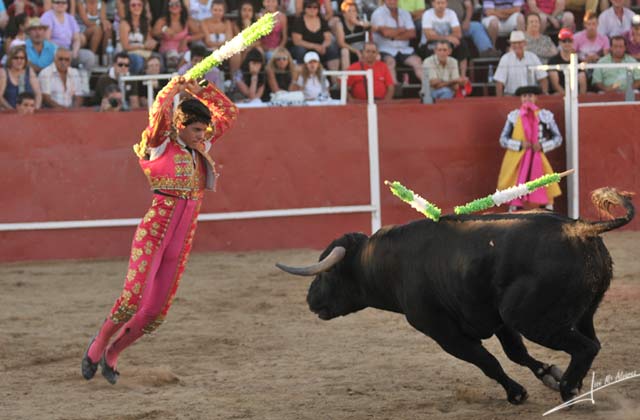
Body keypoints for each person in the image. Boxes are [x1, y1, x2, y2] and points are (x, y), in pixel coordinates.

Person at [81, 73, 238, 385]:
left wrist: (202, 89)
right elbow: (157, 112)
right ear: (180, 126)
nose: (202, 135)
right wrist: (172, 87)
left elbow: (229, 114)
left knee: (154, 313)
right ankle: (97, 346)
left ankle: (113, 354)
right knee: (130, 301)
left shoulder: (201, 143)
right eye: (195, 129)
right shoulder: (160, 143)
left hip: (180, 244)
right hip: (152, 236)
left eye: (203, 130)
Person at [496, 85, 562, 211]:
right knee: (515, 191)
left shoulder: (544, 115)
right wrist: (520, 145)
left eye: (530, 95)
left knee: (544, 190)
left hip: (538, 158)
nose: (527, 98)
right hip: (518, 159)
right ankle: (514, 212)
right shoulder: (514, 116)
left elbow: (558, 138)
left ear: (536, 97)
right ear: (520, 98)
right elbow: (503, 140)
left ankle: (548, 214)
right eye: (524, 96)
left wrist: (542, 145)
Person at [371, 0, 423, 84]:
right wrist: (402, 29)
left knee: (417, 61)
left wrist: (393, 36)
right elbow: (385, 33)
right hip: (385, 48)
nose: (392, 1)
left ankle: (427, 89)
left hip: (404, 48)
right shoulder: (378, 13)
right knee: (390, 62)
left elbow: (412, 33)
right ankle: (395, 88)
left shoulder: (405, 13)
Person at [40, 0, 97, 70]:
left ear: (67, 5)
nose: (60, 4)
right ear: (52, 4)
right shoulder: (47, 16)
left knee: (89, 57)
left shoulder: (70, 18)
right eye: (57, 2)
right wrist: (61, 52)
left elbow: (76, 39)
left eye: (63, 3)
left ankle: (82, 80)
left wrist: (75, 52)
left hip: (69, 50)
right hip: (53, 52)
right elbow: (47, 40)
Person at [420, 0, 469, 77]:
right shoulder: (427, 14)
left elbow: (458, 33)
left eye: (442, 3)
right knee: (431, 49)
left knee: (462, 44)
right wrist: (448, 37)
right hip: (430, 42)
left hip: (446, 41)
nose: (440, 5)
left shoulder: (451, 13)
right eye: (438, 3)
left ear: (446, 4)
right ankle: (433, 78)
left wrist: (443, 38)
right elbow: (429, 36)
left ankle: (463, 76)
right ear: (433, 4)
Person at [493, 30, 549, 96]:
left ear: (524, 43)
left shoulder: (533, 57)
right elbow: (499, 82)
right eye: (514, 43)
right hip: (511, 96)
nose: (517, 45)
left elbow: (543, 78)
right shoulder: (505, 59)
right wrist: (501, 101)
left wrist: (543, 95)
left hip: (531, 96)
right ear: (510, 44)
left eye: (519, 43)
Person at [291, 0, 340, 72]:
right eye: (309, 7)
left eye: (315, 7)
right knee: (300, 50)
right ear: (305, 9)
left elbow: (328, 38)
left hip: (320, 47)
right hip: (305, 47)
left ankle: (334, 78)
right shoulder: (299, 21)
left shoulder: (322, 20)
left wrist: (323, 46)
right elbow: (297, 41)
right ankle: (301, 77)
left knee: (332, 47)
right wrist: (315, 46)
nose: (312, 9)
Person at [120, 0, 158, 75]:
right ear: (129, 7)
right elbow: (125, 46)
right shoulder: (124, 24)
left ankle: (155, 83)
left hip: (142, 51)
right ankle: (135, 83)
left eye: (139, 5)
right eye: (133, 5)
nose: (136, 7)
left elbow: (148, 41)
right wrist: (142, 46)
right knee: (138, 60)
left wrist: (152, 43)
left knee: (158, 58)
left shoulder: (145, 22)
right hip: (127, 53)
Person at [0, 45, 42, 110]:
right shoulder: (3, 72)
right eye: (16, 58)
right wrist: (12, 110)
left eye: (22, 58)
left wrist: (35, 109)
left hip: (28, 112)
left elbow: (38, 94)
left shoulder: (29, 71)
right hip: (8, 112)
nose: (19, 60)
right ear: (10, 59)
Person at [548, 28, 587, 94]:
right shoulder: (553, 61)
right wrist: (568, 98)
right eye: (564, 41)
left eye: (569, 41)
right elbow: (555, 85)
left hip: (576, 95)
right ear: (559, 43)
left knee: (582, 77)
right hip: (560, 96)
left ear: (573, 42)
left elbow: (583, 83)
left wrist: (578, 98)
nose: (567, 43)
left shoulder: (578, 61)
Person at [335, 0, 372, 70]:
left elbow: (370, 27)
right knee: (344, 51)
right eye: (349, 11)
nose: (352, 13)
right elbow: (341, 43)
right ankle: (347, 78)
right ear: (344, 14)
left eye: (354, 11)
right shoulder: (340, 24)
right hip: (350, 49)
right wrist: (356, 51)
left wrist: (358, 23)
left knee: (373, 53)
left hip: (363, 48)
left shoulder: (361, 21)